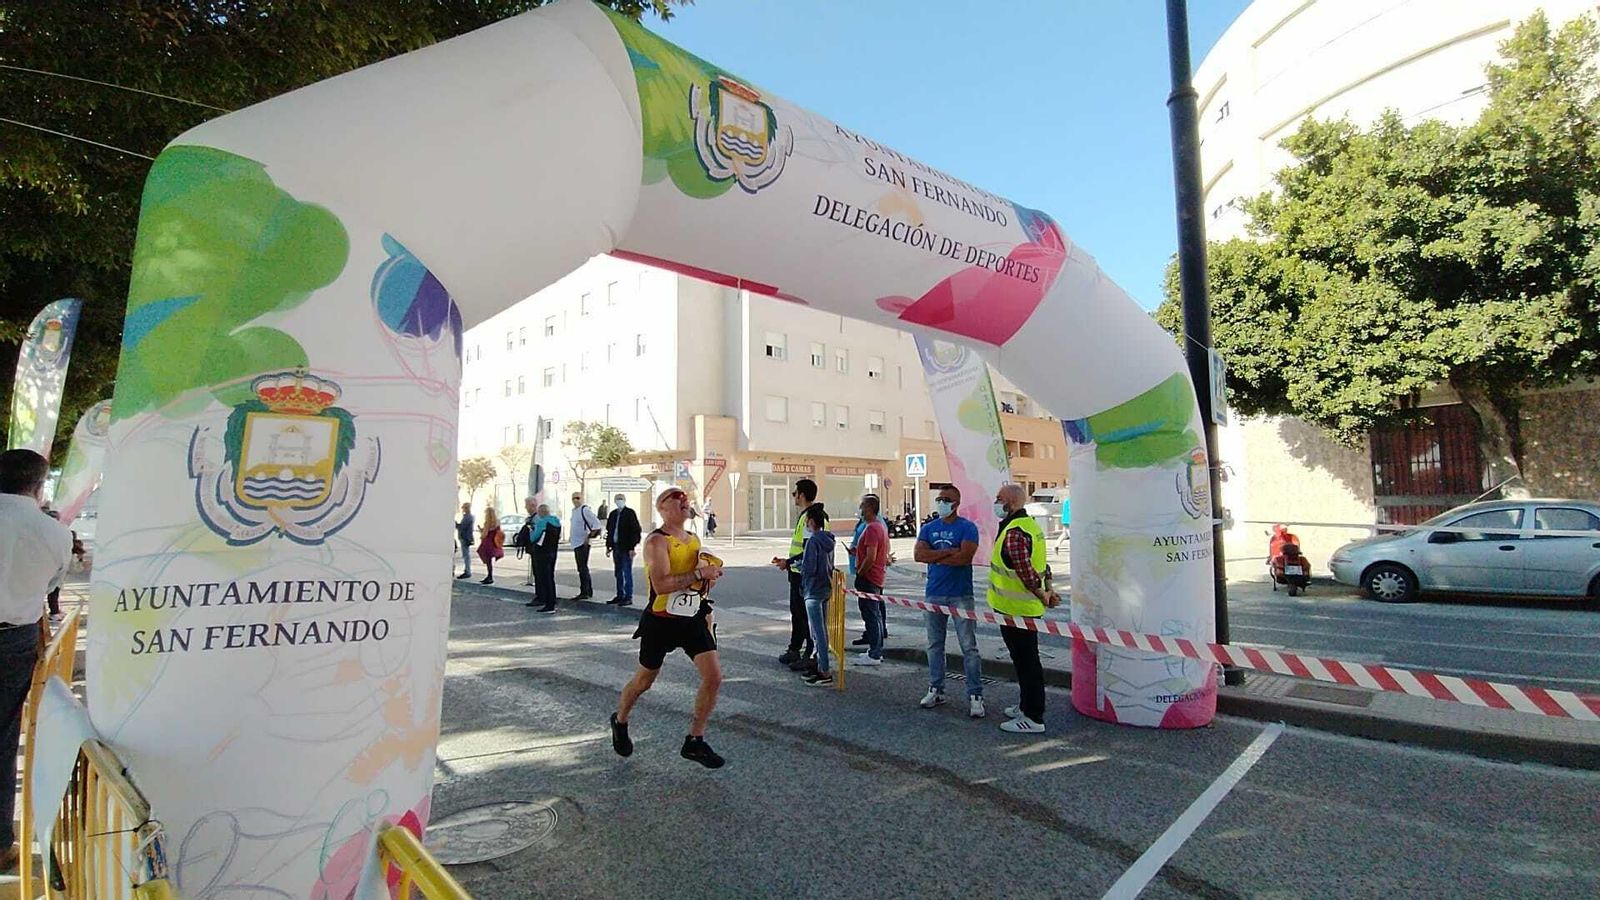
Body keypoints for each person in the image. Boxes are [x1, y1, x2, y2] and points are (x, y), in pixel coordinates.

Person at [611, 487, 726, 768]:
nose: (683, 502)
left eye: (685, 499)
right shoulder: (656, 541)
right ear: (662, 508)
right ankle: (620, 720)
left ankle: (694, 740)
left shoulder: (694, 540)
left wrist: (710, 577)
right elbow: (661, 584)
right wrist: (699, 573)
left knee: (714, 677)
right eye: (675, 499)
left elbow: (698, 582)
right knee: (644, 682)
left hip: (692, 619)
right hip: (661, 621)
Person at [0, 449, 72, 871]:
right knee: (4, 740)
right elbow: (53, 584)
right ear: (39, 485)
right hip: (15, 642)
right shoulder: (54, 533)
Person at [990, 483, 1060, 735]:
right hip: (1022, 607)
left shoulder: (1014, 531)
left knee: (1027, 662)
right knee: (1024, 660)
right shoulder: (1030, 526)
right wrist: (1049, 590)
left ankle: (1033, 717)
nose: (996, 503)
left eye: (999, 499)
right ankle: (1026, 706)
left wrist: (1043, 594)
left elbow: (1026, 573)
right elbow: (1043, 566)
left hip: (1017, 609)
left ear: (1011, 503)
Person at [914, 484, 985, 718]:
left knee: (969, 647)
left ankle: (975, 695)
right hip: (934, 593)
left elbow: (965, 557)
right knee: (934, 644)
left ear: (956, 503)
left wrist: (936, 556)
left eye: (946, 499)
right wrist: (948, 553)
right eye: (939, 498)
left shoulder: (967, 527)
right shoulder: (928, 528)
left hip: (961, 594)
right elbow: (918, 555)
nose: (941, 502)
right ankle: (936, 688)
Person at [771, 478, 825, 670]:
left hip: (805, 574)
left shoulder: (812, 516)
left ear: (802, 495)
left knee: (806, 616)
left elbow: (810, 549)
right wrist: (788, 563)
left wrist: (789, 562)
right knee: (798, 613)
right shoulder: (804, 516)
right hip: (797, 572)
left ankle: (810, 653)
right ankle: (795, 648)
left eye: (795, 493)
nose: (793, 497)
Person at [788, 506, 837, 686]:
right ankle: (820, 666)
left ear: (812, 522)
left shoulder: (814, 541)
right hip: (825, 587)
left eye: (808, 521)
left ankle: (824, 671)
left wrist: (797, 567)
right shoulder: (828, 539)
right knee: (821, 630)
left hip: (813, 590)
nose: (806, 524)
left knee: (817, 632)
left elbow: (809, 568)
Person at [848, 494, 890, 667]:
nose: (861, 510)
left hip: (869, 577)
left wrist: (861, 573)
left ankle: (874, 653)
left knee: (871, 615)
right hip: (876, 577)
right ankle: (874, 651)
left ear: (870, 508)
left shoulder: (872, 528)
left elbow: (871, 556)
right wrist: (857, 552)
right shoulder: (878, 527)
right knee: (874, 615)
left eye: (863, 506)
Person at [605, 494, 643, 606]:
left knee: (627, 572)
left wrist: (632, 547)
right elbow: (610, 531)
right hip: (616, 547)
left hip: (626, 548)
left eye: (621, 499)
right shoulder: (613, 514)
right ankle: (620, 594)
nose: (619, 501)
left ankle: (628, 596)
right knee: (618, 572)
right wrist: (608, 546)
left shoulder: (629, 513)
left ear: (625, 500)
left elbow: (635, 531)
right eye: (617, 499)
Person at [528, 503, 562, 613]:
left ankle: (548, 604)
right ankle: (552, 600)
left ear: (541, 513)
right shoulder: (556, 521)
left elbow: (533, 538)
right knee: (550, 577)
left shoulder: (542, 522)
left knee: (543, 578)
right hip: (553, 552)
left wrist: (531, 531)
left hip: (542, 553)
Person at [476, 507, 504, 584]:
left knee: (488, 561)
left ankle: (489, 577)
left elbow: (484, 534)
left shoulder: (487, 523)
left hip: (487, 543)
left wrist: (481, 531)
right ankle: (490, 576)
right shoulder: (497, 521)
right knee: (490, 560)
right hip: (494, 542)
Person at [455, 502, 475, 579]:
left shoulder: (467, 517)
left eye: (463, 508)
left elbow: (461, 527)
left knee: (466, 555)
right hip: (466, 537)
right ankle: (467, 570)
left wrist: (455, 523)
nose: (462, 509)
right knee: (466, 555)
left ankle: (467, 571)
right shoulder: (469, 517)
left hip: (465, 537)